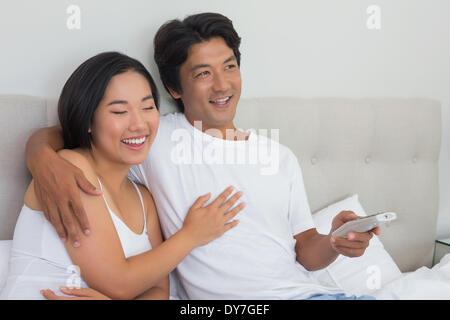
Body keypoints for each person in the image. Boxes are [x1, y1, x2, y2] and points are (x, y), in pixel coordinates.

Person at [25, 13, 379, 300]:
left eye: (229, 67)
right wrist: (42, 156)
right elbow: (77, 127)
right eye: (203, 74)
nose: (223, 85)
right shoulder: (152, 137)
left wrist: (334, 241)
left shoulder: (279, 156)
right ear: (175, 88)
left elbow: (304, 251)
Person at [0, 51, 244, 300]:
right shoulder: (70, 168)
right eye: (119, 112)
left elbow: (159, 291)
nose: (139, 124)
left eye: (148, 107)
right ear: (88, 121)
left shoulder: (143, 199)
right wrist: (192, 234)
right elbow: (118, 284)